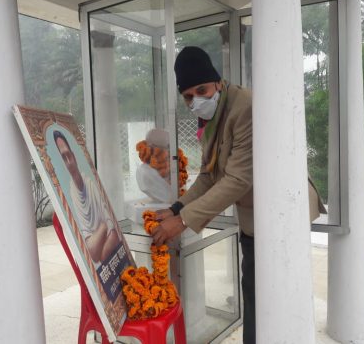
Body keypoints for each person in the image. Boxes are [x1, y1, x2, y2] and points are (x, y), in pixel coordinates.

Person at [151, 46, 326, 344]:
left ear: (218, 82)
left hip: (280, 214)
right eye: (188, 96)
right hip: (255, 217)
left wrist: (181, 222)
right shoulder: (212, 115)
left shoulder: (245, 106)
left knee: (275, 298)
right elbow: (209, 175)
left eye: (202, 90)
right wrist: (177, 207)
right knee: (255, 294)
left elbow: (238, 179)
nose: (196, 101)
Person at [53, 130, 120, 264]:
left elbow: (112, 233)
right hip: (96, 238)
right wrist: (102, 228)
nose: (69, 162)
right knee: (92, 250)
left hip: (106, 238)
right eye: (63, 158)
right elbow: (92, 253)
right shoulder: (72, 193)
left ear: (74, 156)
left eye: (68, 155)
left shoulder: (90, 184)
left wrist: (102, 232)